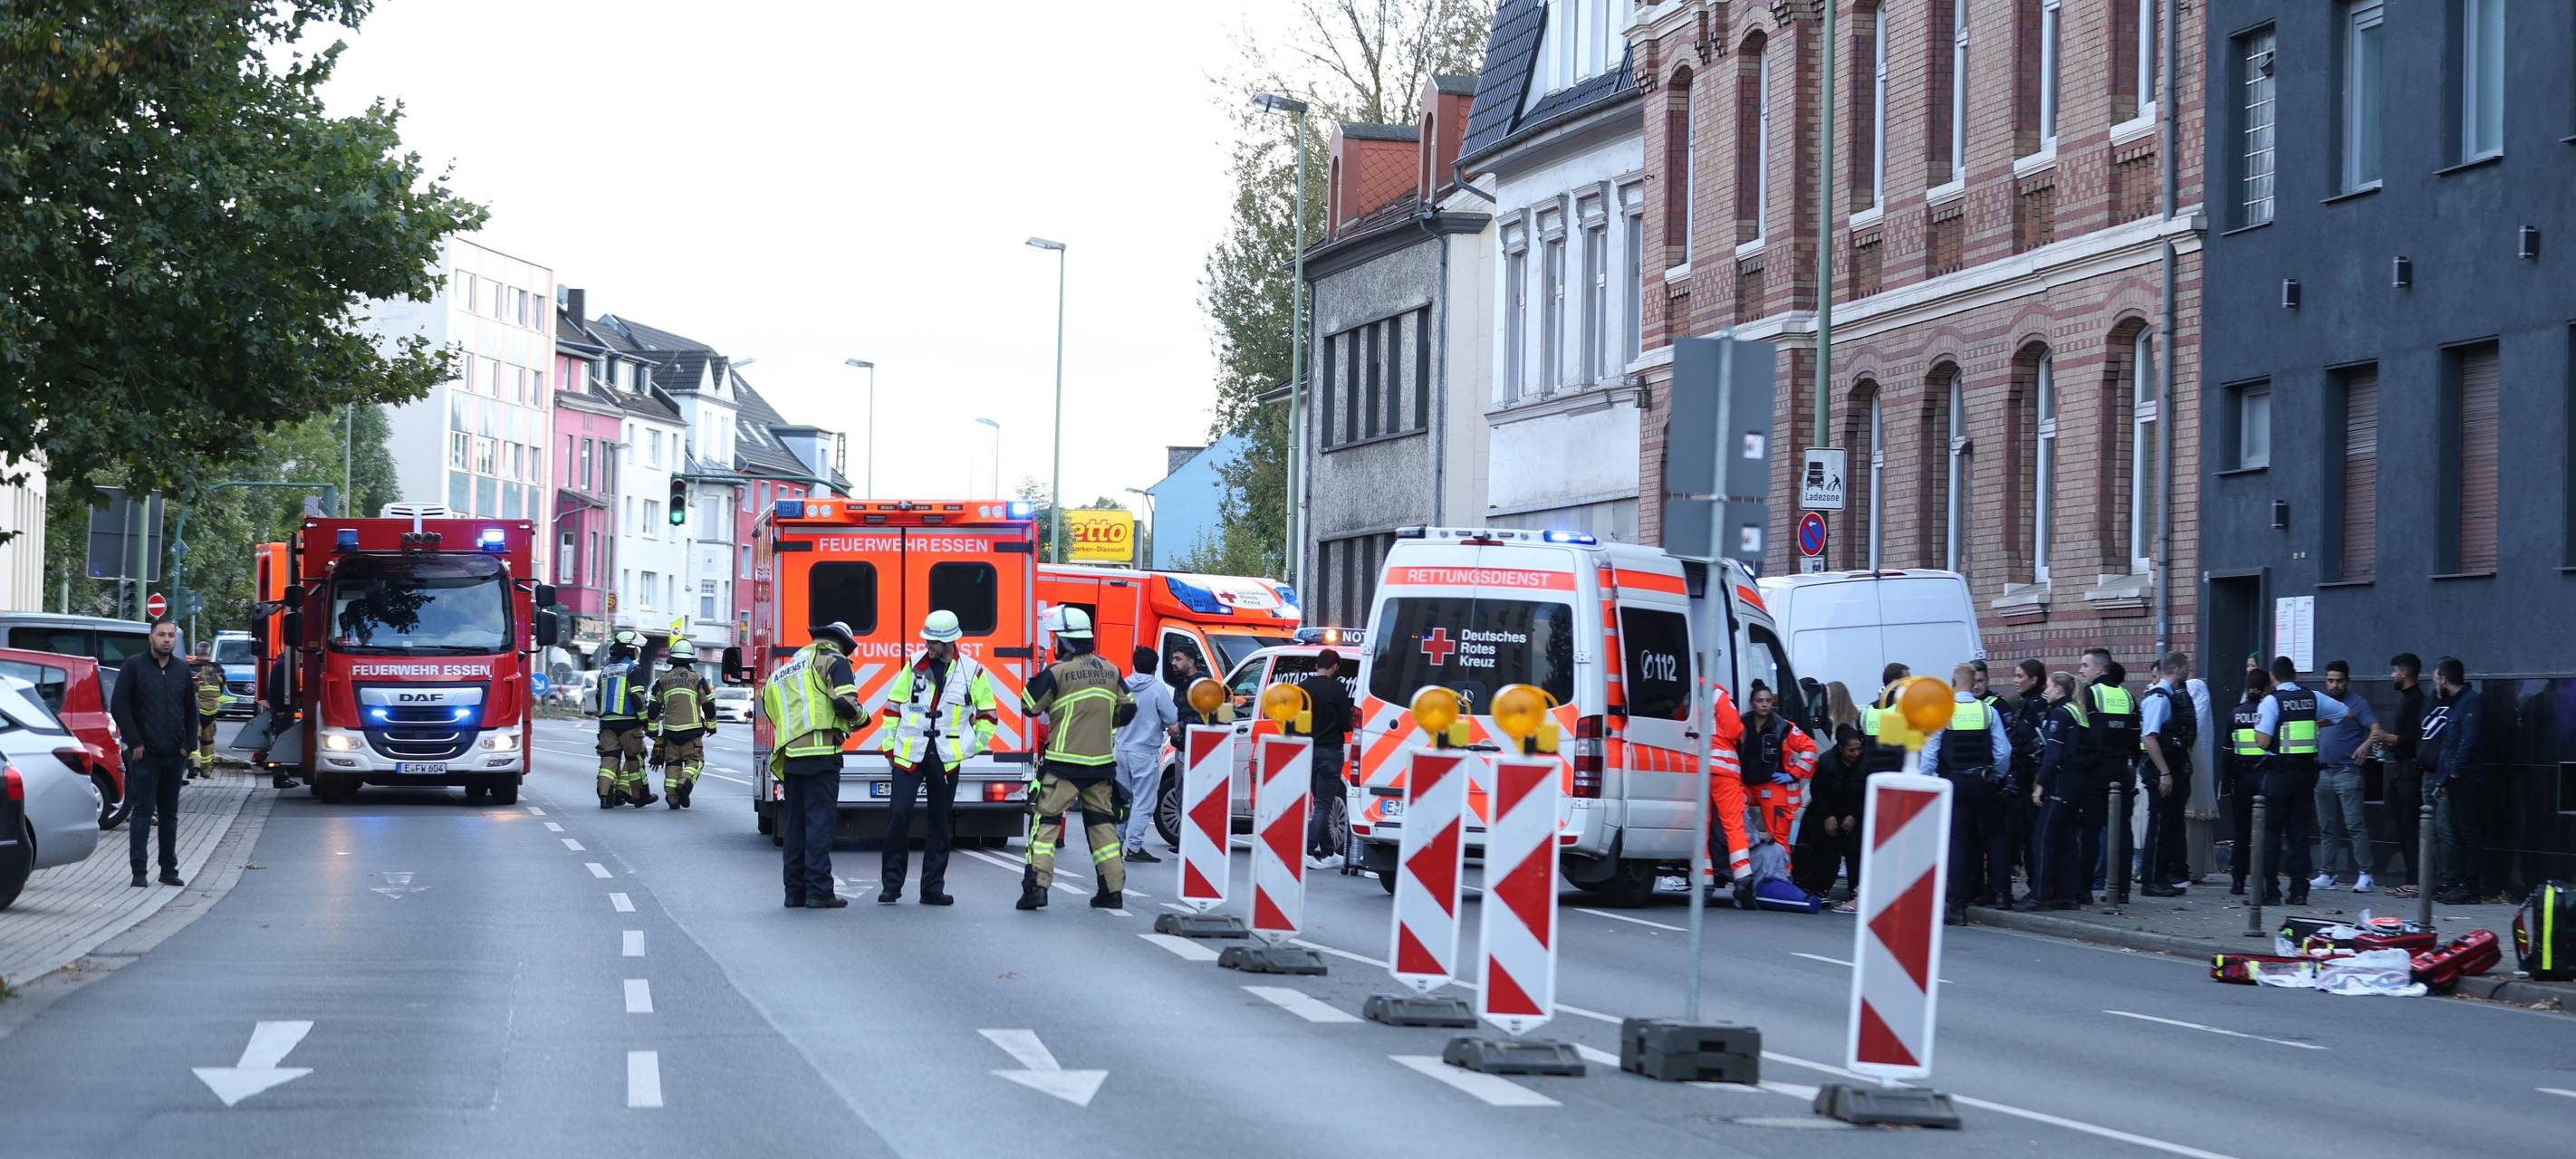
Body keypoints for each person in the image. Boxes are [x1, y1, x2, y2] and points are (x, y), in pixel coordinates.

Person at [1018, 607, 1137, 911]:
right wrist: (1102, 725)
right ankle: (1112, 891)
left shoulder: (1058, 672)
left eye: (1056, 638)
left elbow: (1029, 705)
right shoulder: (1111, 670)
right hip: (1100, 765)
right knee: (1103, 826)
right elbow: (1129, 708)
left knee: (1044, 823)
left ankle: (1036, 889)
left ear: (1065, 642)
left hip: (1063, 765)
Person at [876, 610, 996, 906]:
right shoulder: (913, 666)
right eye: (927, 640)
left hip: (945, 757)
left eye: (934, 641)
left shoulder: (973, 672)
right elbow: (892, 708)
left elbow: (988, 718)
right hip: (908, 754)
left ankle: (932, 888)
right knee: (898, 815)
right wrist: (890, 747)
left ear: (951, 643)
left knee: (940, 824)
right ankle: (891, 886)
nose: (928, 645)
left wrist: (968, 748)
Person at [764, 621, 864, 909]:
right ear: (843, 643)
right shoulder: (833, 660)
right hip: (822, 756)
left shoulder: (787, 669)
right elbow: (845, 703)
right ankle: (819, 891)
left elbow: (768, 703)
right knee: (819, 825)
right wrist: (862, 718)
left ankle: (794, 891)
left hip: (792, 757)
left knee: (795, 827)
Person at [2254, 655, 2351, 906]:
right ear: (2295, 676)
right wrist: (2318, 724)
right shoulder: (2313, 697)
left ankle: (2270, 892)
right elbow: (2345, 713)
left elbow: (2263, 741)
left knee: (2272, 833)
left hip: (2279, 774)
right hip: (2307, 775)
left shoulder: (2271, 702)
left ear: (2273, 678)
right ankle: (2299, 891)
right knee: (2299, 833)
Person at [1925, 663, 2014, 924]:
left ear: (1953, 683)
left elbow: (1930, 755)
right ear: (1973, 682)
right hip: (1984, 781)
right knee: (1995, 838)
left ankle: (1957, 907)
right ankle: (2003, 894)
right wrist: (1996, 775)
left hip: (1954, 783)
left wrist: (1927, 781)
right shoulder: (1988, 711)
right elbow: (2003, 752)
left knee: (1958, 843)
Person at [110, 619, 195, 887]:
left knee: (169, 814)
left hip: (174, 754)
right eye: (162, 635)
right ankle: (139, 872)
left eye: (171, 636)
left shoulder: (182, 670)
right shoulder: (134, 667)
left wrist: (188, 745)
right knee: (143, 812)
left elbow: (191, 711)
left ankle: (168, 870)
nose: (167, 640)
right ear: (151, 637)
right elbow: (119, 706)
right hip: (144, 754)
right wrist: (135, 742)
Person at [2308, 660, 2378, 894]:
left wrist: (2367, 745)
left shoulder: (2358, 704)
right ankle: (2327, 874)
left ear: (2348, 680)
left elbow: (2376, 729)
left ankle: (2366, 875)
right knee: (2327, 826)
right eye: (2330, 680)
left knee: (2354, 824)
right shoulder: (2323, 704)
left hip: (2348, 771)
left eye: (2339, 680)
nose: (2334, 685)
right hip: (2324, 771)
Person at [2079, 648, 2139, 902]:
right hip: (2122, 768)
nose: (2081, 670)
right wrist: (2133, 767)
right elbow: (2135, 736)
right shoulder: (2127, 695)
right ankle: (2121, 889)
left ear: (2099, 669)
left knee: (2090, 830)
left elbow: (2083, 733)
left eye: (2085, 665)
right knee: (2122, 829)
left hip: (2096, 769)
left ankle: (2084, 890)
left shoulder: (2089, 694)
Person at [2137, 651, 2198, 897]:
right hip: (2162, 772)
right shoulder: (2160, 698)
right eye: (2187, 667)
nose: (2189, 671)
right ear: (2178, 668)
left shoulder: (2170, 696)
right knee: (2160, 826)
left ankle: (2160, 878)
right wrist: (2165, 772)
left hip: (2171, 769)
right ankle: (2151, 881)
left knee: (2169, 826)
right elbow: (2149, 737)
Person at [2424, 656, 2485, 905]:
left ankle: (2470, 888)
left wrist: (2453, 773)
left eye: (2436, 676)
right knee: (2457, 832)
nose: (2434, 680)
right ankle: (2460, 883)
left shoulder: (2471, 703)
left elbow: (2467, 742)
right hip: (2453, 777)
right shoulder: (2457, 703)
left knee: (2468, 834)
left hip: (2465, 780)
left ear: (2444, 678)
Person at [2029, 672, 2090, 909]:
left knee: (2044, 839)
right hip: (2077, 782)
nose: (2046, 690)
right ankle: (2069, 894)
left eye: (2049, 686)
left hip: (2060, 782)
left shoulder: (2060, 714)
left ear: (2059, 689)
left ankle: (2041, 895)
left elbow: (2053, 754)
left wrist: (2040, 785)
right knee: (2067, 841)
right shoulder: (2079, 712)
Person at [2370, 654, 2428, 898]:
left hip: (2409, 770)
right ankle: (2410, 879)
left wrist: (2387, 738)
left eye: (2395, 671)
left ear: (2405, 673)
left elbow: (2415, 739)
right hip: (2401, 767)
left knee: (2409, 826)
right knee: (2402, 827)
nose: (2392, 675)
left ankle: (2415, 881)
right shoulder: (2407, 699)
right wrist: (2389, 744)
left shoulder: (2416, 701)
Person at [1736, 685, 1818, 857]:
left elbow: (1810, 748)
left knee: (1778, 836)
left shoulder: (1783, 727)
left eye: (1768, 701)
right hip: (1746, 783)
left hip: (1772, 784)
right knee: (1733, 818)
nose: (1764, 705)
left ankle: (1782, 875)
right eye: (1760, 701)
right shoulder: (1740, 725)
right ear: (1752, 703)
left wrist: (1793, 774)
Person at [1792, 726, 1868, 907]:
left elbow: (1866, 795)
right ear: (1841, 748)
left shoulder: (1866, 765)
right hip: (1831, 814)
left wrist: (1854, 817)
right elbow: (1817, 791)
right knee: (1828, 852)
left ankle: (1855, 890)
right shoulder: (1826, 763)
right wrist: (1828, 816)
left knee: (1855, 852)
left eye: (1858, 749)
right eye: (1851, 750)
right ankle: (1821, 889)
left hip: (1854, 815)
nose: (1856, 754)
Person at [1115, 646, 1177, 865]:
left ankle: (1115, 842)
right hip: (1144, 752)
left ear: (1134, 664)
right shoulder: (1157, 689)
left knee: (1122, 799)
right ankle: (1134, 847)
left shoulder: (1122, 686)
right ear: (1155, 667)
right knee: (1143, 801)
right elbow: (1172, 717)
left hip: (1121, 749)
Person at [1299, 650, 1357, 869]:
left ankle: (1328, 851)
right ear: (1335, 667)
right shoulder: (1338, 689)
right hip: (1331, 751)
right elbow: (1345, 723)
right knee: (1324, 803)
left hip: (1308, 750)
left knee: (1321, 801)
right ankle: (1308, 851)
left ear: (1316, 665)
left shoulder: (1303, 687)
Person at [1998, 659, 2049, 899]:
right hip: (2023, 776)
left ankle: (2037, 888)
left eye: (2020, 676)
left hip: (2031, 778)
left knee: (2031, 836)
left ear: (2034, 679)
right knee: (2024, 834)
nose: (2015, 680)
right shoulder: (2028, 702)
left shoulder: (2037, 704)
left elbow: (2041, 741)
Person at [648, 640, 716, 810]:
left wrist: (654, 731)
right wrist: (711, 725)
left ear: (673, 660)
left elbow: (653, 708)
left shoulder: (662, 681)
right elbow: (708, 705)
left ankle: (672, 798)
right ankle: (685, 783)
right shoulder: (698, 679)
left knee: (673, 764)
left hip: (670, 733)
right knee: (696, 761)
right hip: (691, 733)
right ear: (690, 660)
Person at [594, 630, 657, 809]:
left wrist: (603, 717)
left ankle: (605, 797)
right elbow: (637, 698)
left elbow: (599, 697)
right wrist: (644, 721)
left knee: (608, 760)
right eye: (635, 650)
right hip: (629, 723)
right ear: (630, 651)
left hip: (607, 723)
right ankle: (640, 796)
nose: (637, 653)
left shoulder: (605, 670)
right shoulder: (632, 669)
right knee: (634, 760)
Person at [2223, 670, 2272, 895]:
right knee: (2267, 831)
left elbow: (2226, 752)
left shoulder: (2235, 713)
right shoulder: (2270, 712)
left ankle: (2238, 881)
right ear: (2266, 689)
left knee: (2241, 832)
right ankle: (2263, 881)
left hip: (2241, 780)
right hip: (2265, 779)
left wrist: (2225, 784)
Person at [1859, 663, 1911, 774]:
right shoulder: (1906, 711)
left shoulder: (1867, 711)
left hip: (1872, 777)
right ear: (1894, 683)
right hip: (1898, 777)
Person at [187, 652, 225, 780]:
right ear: (209, 654)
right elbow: (222, 689)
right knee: (207, 742)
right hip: (211, 714)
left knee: (192, 741)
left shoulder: (190, 669)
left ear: (197, 654)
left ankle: (193, 767)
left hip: (195, 712)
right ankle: (206, 771)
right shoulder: (218, 670)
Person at [1166, 648, 1202, 724]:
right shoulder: (1181, 681)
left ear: (1190, 662)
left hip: (1195, 735)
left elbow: (1208, 716)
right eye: (1173, 659)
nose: (1173, 663)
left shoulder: (1203, 684)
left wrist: (1181, 726)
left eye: (1178, 659)